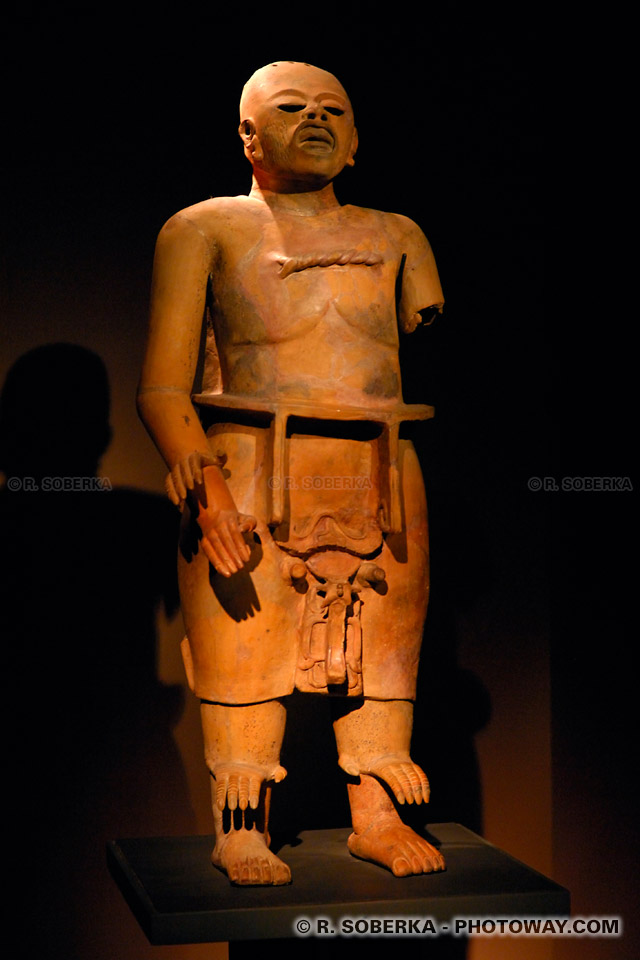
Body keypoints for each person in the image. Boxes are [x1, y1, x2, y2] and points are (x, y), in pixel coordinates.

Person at [138, 60, 446, 884]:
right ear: (248, 135)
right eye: (291, 107)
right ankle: (241, 828)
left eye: (332, 110)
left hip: (380, 468)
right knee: (246, 640)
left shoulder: (399, 235)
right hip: (248, 463)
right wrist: (208, 495)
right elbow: (162, 389)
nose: (315, 120)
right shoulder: (203, 229)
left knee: (383, 640)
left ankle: (376, 818)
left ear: (356, 140)